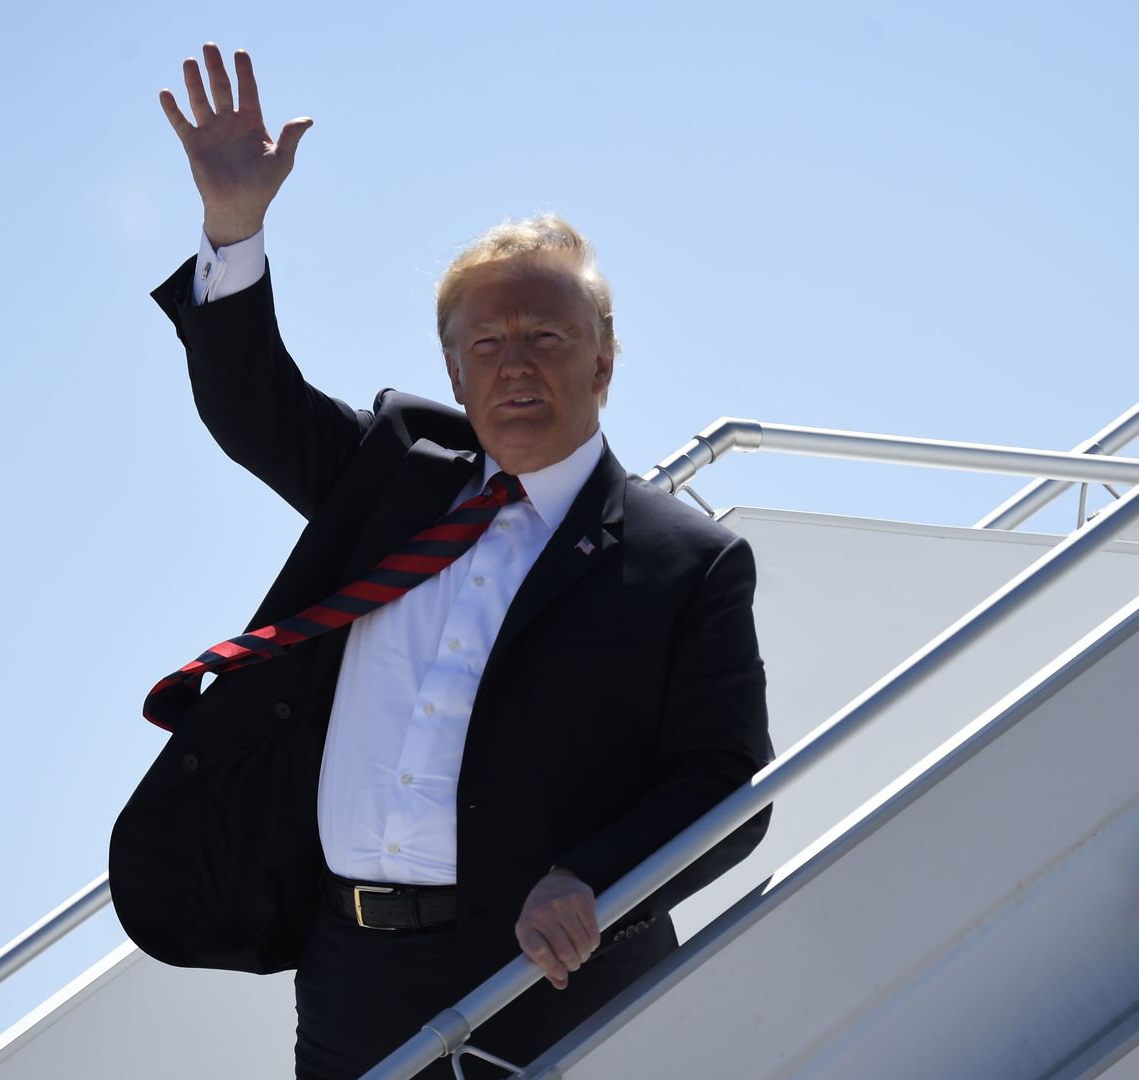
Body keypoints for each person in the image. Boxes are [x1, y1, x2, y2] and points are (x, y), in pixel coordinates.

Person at [107, 43, 773, 1078]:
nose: (514, 364)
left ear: (604, 358)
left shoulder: (687, 561)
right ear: (453, 373)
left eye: (546, 337)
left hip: (551, 978)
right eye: (486, 344)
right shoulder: (394, 479)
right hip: (351, 973)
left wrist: (588, 880)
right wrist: (234, 227)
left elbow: (726, 787)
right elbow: (254, 410)